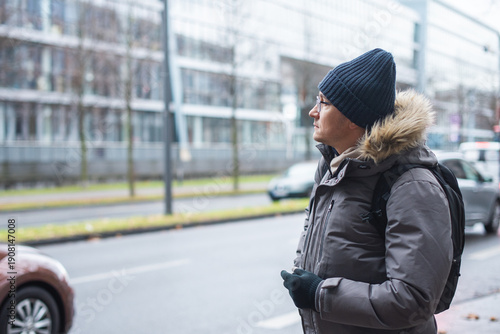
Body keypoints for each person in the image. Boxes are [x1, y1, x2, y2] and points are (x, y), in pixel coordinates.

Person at [280, 48, 453, 334]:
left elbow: (413, 300)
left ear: (352, 118)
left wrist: (319, 294)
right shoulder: (331, 169)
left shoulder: (412, 185)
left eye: (323, 103)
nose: (313, 112)